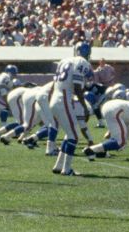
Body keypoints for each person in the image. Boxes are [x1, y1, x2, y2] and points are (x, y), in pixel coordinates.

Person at [47, 41, 93, 176]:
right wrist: (84, 106)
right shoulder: (82, 62)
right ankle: (67, 169)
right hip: (64, 99)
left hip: (56, 98)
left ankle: (58, 166)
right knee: (74, 136)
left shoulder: (64, 60)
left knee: (69, 134)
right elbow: (77, 87)